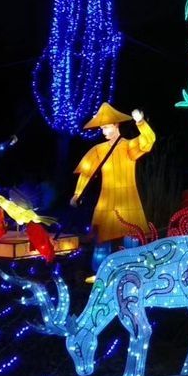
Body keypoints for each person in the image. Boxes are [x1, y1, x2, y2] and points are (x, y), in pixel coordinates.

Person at [70, 103, 154, 275]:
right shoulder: (98, 150)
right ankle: (100, 273)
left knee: (132, 235)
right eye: (102, 128)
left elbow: (148, 141)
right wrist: (77, 194)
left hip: (128, 199)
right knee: (101, 237)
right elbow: (86, 173)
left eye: (106, 127)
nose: (103, 131)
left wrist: (140, 122)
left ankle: (133, 270)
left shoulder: (128, 146)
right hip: (107, 200)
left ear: (116, 125)